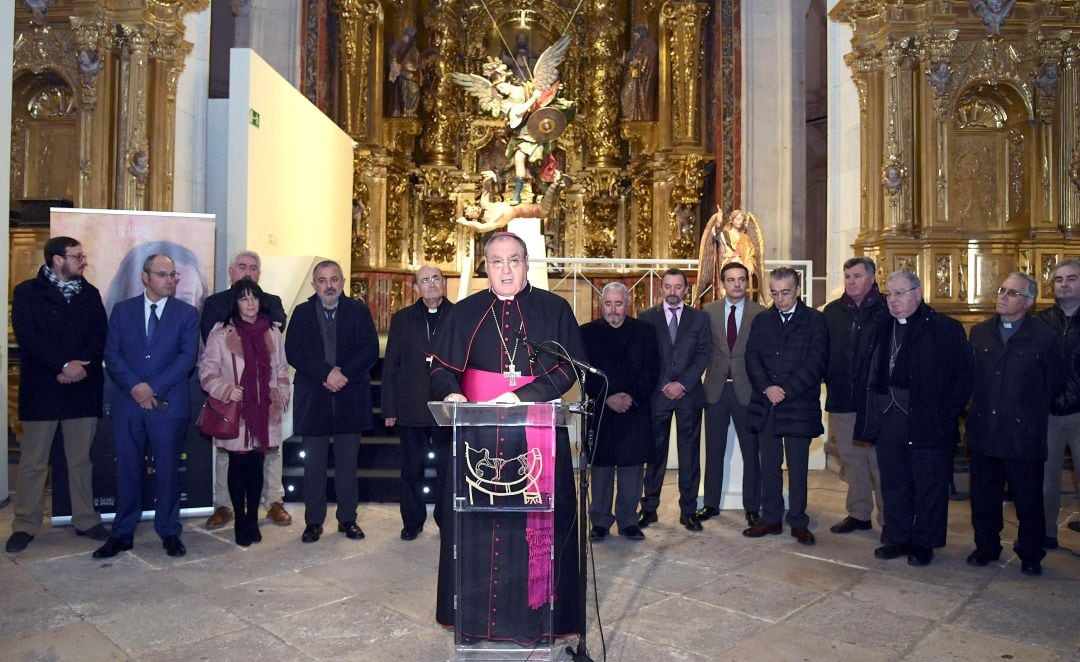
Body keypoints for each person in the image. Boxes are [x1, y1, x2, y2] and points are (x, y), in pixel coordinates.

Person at [428, 232, 584, 644]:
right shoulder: (465, 313)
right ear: (485, 267)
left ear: (526, 263)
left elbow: (569, 369)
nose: (506, 269)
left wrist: (520, 395)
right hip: (478, 435)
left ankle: (537, 619)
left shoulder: (554, 309)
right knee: (479, 528)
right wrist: (451, 391)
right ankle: (476, 621)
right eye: (496, 262)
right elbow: (441, 367)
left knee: (535, 528)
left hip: (536, 433)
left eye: (513, 260)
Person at [856, 270, 972, 567]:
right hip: (889, 419)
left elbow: (962, 379)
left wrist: (944, 412)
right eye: (889, 295)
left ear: (918, 293)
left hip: (928, 420)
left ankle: (924, 543)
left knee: (929, 486)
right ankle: (897, 537)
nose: (893, 301)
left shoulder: (945, 329)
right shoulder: (881, 326)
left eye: (900, 293)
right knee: (894, 482)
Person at [6, 237, 110, 554]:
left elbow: (99, 334)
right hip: (43, 389)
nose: (83, 261)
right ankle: (25, 524)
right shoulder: (26, 293)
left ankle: (85, 520)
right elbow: (28, 337)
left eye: (83, 255)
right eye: (77, 256)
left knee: (80, 460)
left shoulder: (90, 294)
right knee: (34, 462)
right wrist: (63, 364)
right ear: (57, 260)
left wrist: (79, 366)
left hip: (82, 387)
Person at [94, 253, 200, 559]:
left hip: (168, 406)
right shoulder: (122, 311)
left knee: (167, 470)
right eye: (163, 275)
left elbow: (186, 358)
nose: (170, 281)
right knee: (128, 470)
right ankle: (122, 533)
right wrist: (136, 387)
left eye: (173, 275)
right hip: (129, 405)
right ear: (145, 277)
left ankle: (169, 531)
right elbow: (112, 354)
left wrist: (152, 388)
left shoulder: (187, 313)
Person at [967, 273, 1062, 576]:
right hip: (985, 431)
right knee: (984, 497)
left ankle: (1031, 553)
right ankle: (986, 547)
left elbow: (1055, 383)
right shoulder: (980, 333)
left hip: (1023, 434)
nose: (1003, 297)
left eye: (1012, 293)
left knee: (1027, 498)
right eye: (1001, 290)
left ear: (1029, 301)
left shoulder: (1044, 337)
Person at [285, 260, 379, 543]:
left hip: (350, 398)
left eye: (334, 279)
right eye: (323, 280)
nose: (329, 285)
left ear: (342, 282)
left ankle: (347, 520)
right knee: (313, 466)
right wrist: (326, 373)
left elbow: (370, 350)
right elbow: (294, 352)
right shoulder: (301, 313)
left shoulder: (359, 311)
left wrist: (344, 375)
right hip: (314, 398)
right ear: (314, 284)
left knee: (347, 466)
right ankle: (313, 522)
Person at [200, 250, 289, 530]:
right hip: (234, 401)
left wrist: (280, 396)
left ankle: (273, 501)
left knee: (270, 451)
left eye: (253, 268)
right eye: (242, 267)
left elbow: (280, 363)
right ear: (231, 271)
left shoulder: (271, 303)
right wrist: (226, 387)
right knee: (229, 455)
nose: (247, 272)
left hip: (265, 403)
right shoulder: (216, 307)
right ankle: (225, 506)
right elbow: (209, 353)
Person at [743, 267, 827, 545]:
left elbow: (816, 363)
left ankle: (799, 521)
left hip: (798, 405)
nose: (780, 299)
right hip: (767, 404)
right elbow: (751, 357)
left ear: (798, 290)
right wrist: (767, 387)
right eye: (775, 293)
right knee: (768, 465)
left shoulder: (815, 321)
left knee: (798, 467)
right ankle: (771, 519)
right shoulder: (762, 320)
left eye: (786, 293)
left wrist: (786, 390)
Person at [580, 282, 659, 541]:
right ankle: (600, 521)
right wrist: (606, 398)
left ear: (628, 305)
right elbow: (583, 374)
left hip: (634, 410)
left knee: (631, 469)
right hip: (602, 410)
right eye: (609, 304)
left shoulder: (645, 332)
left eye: (619, 304)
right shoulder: (586, 333)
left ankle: (628, 521)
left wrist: (631, 397)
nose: (614, 309)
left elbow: (652, 370)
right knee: (601, 469)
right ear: (601, 305)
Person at [381, 264, 453, 540]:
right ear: (416, 288)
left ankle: (446, 520)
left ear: (444, 283)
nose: (432, 284)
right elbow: (392, 365)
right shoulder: (403, 319)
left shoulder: (458, 316)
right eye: (425, 280)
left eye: (436, 278)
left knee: (447, 470)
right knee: (412, 469)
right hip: (411, 406)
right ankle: (412, 521)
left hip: (447, 407)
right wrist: (389, 407)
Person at [638, 268, 712, 531]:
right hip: (657, 396)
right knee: (654, 453)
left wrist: (683, 383)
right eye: (667, 287)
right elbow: (645, 356)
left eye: (678, 287)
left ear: (685, 289)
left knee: (689, 453)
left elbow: (704, 354)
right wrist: (663, 385)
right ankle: (649, 509)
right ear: (661, 289)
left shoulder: (699, 319)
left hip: (688, 395)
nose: (672, 292)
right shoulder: (646, 318)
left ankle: (688, 511)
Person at [823, 257, 889, 536]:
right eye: (848, 276)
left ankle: (889, 520)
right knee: (851, 458)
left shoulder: (886, 309)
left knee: (879, 461)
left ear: (872, 278)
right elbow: (822, 351)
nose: (851, 281)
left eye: (858, 276)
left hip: (876, 400)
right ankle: (859, 513)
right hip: (842, 396)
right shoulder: (833, 311)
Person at [698, 262, 767, 526]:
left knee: (752, 452)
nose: (736, 285)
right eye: (731, 280)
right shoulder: (709, 311)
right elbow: (704, 348)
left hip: (747, 390)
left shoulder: (760, 313)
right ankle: (711, 504)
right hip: (715, 390)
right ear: (722, 283)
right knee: (714, 451)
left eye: (741, 280)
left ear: (747, 283)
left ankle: (752, 506)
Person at [1034, 259, 1080, 549]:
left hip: (1079, 412)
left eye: (1071, 278)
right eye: (1059, 279)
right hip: (1048, 412)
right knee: (1045, 480)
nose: (1064, 284)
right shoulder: (1041, 322)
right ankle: (1046, 533)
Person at [619, 26, 658, 121]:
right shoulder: (637, 46)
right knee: (625, 93)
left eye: (636, 36)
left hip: (640, 77)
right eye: (634, 37)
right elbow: (629, 57)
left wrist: (639, 60)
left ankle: (636, 116)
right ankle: (630, 116)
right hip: (633, 73)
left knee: (628, 93)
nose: (635, 38)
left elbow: (649, 55)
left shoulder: (649, 43)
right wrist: (623, 61)